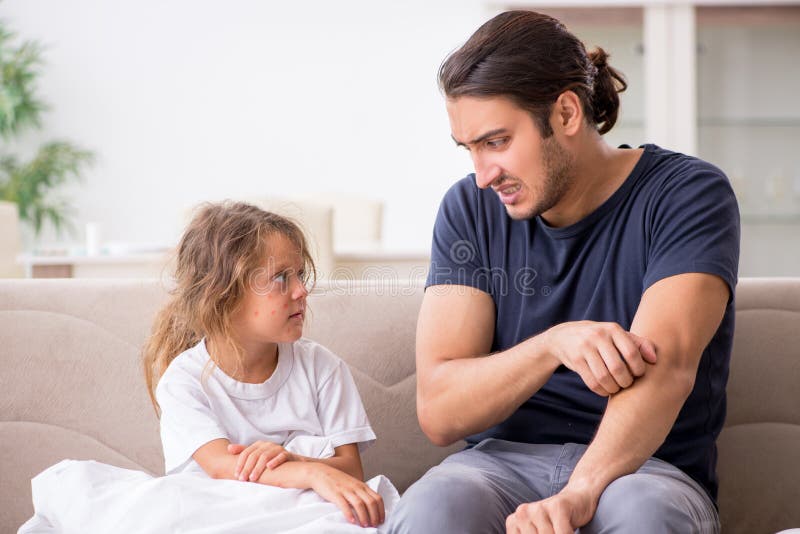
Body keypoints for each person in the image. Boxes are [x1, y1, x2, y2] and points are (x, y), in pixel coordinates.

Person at [389, 10, 739, 534]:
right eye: (470, 150)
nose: (482, 175)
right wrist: (554, 344)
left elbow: (666, 371)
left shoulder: (687, 195)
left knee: (646, 517)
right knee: (433, 507)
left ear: (567, 113)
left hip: (646, 470)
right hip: (496, 465)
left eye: (496, 141)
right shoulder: (469, 210)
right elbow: (440, 409)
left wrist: (580, 493)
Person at [21, 201, 395, 533]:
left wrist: (297, 457)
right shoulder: (184, 380)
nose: (301, 290)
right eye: (282, 278)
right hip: (218, 513)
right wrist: (311, 471)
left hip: (300, 512)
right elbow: (221, 469)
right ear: (224, 295)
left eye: (300, 274)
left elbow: (351, 472)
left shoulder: (322, 370)